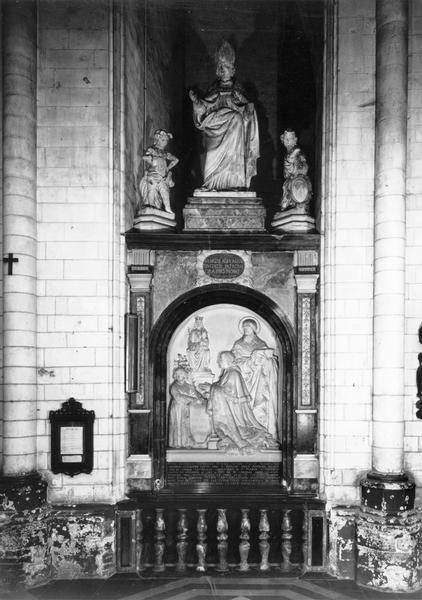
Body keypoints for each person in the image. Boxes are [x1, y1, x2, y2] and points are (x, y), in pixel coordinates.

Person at [189, 41, 259, 191]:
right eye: (221, 68)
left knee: (237, 119)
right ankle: (211, 183)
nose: (223, 71)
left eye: (227, 68)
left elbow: (248, 112)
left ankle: (234, 183)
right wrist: (196, 101)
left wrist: (248, 108)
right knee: (210, 156)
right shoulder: (213, 89)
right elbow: (203, 108)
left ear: (233, 70)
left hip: (234, 132)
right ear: (218, 71)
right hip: (214, 128)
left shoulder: (238, 90)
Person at [207, 351, 278, 453]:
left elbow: (226, 392)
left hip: (235, 413)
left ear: (228, 360)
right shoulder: (228, 373)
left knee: (240, 431)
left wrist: (212, 388)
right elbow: (223, 390)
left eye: (220, 359)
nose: (218, 362)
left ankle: (238, 437)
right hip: (231, 409)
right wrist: (212, 388)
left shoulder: (233, 374)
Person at [231, 318, 278, 439]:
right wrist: (250, 362)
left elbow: (268, 357)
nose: (245, 329)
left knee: (259, 402)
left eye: (248, 327)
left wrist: (264, 359)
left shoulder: (261, 344)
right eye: (244, 327)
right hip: (244, 376)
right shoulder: (238, 344)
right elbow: (234, 361)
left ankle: (260, 428)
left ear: (254, 329)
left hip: (259, 379)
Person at [138, 129, 179, 214]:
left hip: (163, 176)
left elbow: (175, 160)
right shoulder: (152, 149)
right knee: (151, 191)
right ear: (157, 139)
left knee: (165, 193)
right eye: (163, 140)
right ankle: (150, 206)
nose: (165, 142)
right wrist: (152, 160)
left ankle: (168, 209)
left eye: (166, 140)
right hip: (153, 174)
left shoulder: (165, 153)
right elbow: (144, 157)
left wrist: (168, 168)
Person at [168, 367, 205, 448]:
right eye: (177, 374)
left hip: (187, 408)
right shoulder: (174, 386)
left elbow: (195, 394)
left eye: (180, 373)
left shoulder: (189, 386)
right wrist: (194, 399)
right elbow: (178, 396)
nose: (178, 375)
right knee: (178, 423)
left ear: (184, 375)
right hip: (177, 408)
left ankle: (187, 442)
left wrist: (201, 399)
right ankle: (177, 443)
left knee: (187, 425)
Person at [280, 129, 312, 212]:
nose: (287, 141)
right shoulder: (289, 153)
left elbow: (302, 167)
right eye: (286, 139)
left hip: (296, 182)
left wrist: (290, 159)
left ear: (295, 140)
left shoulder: (296, 152)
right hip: (290, 183)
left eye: (290, 139)